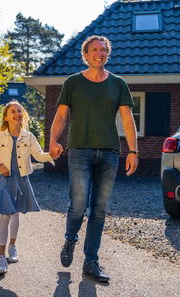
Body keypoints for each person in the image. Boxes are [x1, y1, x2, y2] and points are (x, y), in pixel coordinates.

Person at [49, 35, 138, 282]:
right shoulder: (73, 83)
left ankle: (91, 262)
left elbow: (128, 120)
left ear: (107, 54)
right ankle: (70, 239)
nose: (99, 53)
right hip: (80, 151)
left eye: (103, 50)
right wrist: (53, 141)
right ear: (85, 55)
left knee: (99, 210)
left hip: (109, 154)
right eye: (94, 50)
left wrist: (133, 151)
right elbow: (60, 116)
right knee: (78, 205)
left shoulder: (118, 84)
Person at [0, 101, 54, 275]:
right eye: (13, 111)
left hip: (22, 180)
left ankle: (12, 247)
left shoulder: (28, 136)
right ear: (6, 117)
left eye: (19, 111)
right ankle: (1, 258)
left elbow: (39, 155)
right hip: (5, 180)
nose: (17, 113)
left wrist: (52, 154)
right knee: (5, 215)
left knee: (16, 213)